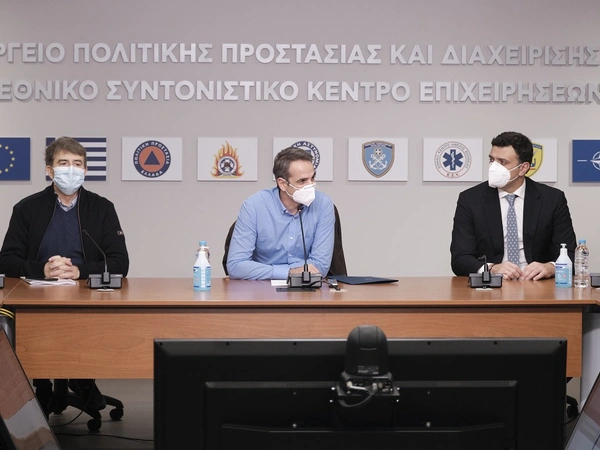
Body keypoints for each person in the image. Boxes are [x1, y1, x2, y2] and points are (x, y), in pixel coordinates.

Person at [0, 136, 129, 414]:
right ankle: (42, 385)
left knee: (86, 329)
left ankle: (81, 377)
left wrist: (79, 271)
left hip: (86, 296)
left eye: (77, 164)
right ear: (50, 170)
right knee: (36, 328)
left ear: (85, 170)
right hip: (36, 296)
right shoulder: (27, 208)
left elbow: (120, 262)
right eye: (63, 163)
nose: (71, 170)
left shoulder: (102, 208)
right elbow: (6, 259)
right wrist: (43, 270)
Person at [450, 131, 577, 281]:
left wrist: (550, 267)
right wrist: (491, 268)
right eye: (492, 160)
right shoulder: (471, 200)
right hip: (492, 284)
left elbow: (570, 254)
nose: (494, 167)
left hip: (537, 284)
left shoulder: (552, 199)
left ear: (523, 168)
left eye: (502, 162)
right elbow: (460, 259)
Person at [227, 147, 335, 280]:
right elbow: (236, 266)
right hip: (262, 286)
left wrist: (266, 270)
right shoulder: (254, 206)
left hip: (305, 285)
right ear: (282, 184)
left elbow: (321, 266)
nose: (310, 185)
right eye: (302, 181)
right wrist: (290, 272)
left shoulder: (323, 204)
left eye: (312, 178)